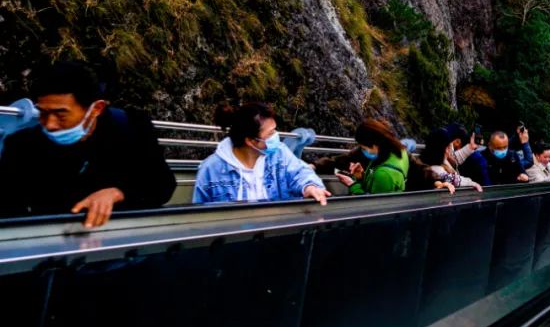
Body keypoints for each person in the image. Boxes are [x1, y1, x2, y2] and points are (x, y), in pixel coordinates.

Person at [0, 61, 176, 226]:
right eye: (43, 113)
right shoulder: (21, 146)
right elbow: (8, 206)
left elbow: (163, 186)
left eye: (61, 114)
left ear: (96, 109)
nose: (50, 124)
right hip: (51, 243)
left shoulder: (131, 129)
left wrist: (118, 193)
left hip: (118, 238)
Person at [194, 103, 330, 205]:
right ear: (250, 141)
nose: (276, 136)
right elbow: (199, 218)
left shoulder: (279, 153)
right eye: (271, 133)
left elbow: (300, 172)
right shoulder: (210, 170)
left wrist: (310, 186)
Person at [335, 118, 410, 195]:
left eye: (364, 148)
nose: (363, 151)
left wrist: (352, 185)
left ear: (375, 145)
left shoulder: (383, 175)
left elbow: (371, 204)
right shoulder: (399, 151)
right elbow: (377, 186)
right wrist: (361, 177)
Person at [461, 128, 532, 186]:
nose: (503, 150)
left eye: (505, 147)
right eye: (499, 148)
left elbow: (523, 175)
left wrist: (524, 178)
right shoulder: (479, 158)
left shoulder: (512, 156)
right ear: (490, 145)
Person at [421, 128, 483, 194]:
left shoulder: (436, 158)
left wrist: (470, 147)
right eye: (447, 148)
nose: (449, 152)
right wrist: (471, 183)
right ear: (440, 148)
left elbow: (453, 159)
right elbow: (452, 179)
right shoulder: (433, 168)